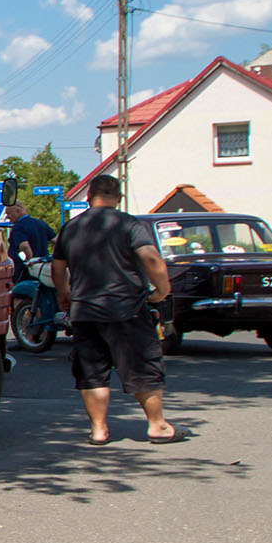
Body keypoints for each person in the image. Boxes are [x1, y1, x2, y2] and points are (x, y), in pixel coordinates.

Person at [51, 174, 181, 446]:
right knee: (143, 366)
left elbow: (58, 267)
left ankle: (98, 430)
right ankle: (157, 426)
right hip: (126, 308)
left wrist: (64, 294)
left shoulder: (71, 228)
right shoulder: (128, 223)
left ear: (89, 197)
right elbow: (151, 258)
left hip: (85, 310)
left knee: (91, 371)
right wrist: (162, 289)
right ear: (119, 198)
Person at [5, 203, 57, 283]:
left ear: (18, 211)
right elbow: (56, 240)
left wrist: (30, 262)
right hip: (42, 270)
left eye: (9, 213)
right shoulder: (40, 223)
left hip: (24, 272)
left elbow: (24, 246)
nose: (7, 217)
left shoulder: (18, 227)